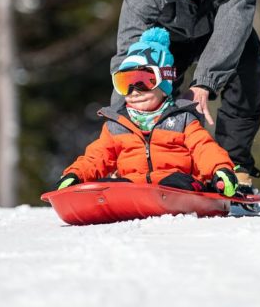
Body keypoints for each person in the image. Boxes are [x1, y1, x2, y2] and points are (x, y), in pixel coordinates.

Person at [110, 0, 260, 192]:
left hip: (219, 31)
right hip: (167, 38)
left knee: (248, 59)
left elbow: (235, 20)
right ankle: (130, 161)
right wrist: (129, 98)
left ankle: (232, 165)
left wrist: (205, 80)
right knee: (138, 83)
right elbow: (129, 47)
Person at [57, 27, 238, 197]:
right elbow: (96, 157)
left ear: (164, 83)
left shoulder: (183, 120)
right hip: (132, 187)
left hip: (175, 185)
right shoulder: (117, 126)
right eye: (125, 83)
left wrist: (220, 169)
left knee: (177, 182)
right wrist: (75, 175)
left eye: (144, 81)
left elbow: (203, 148)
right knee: (108, 185)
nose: (134, 91)